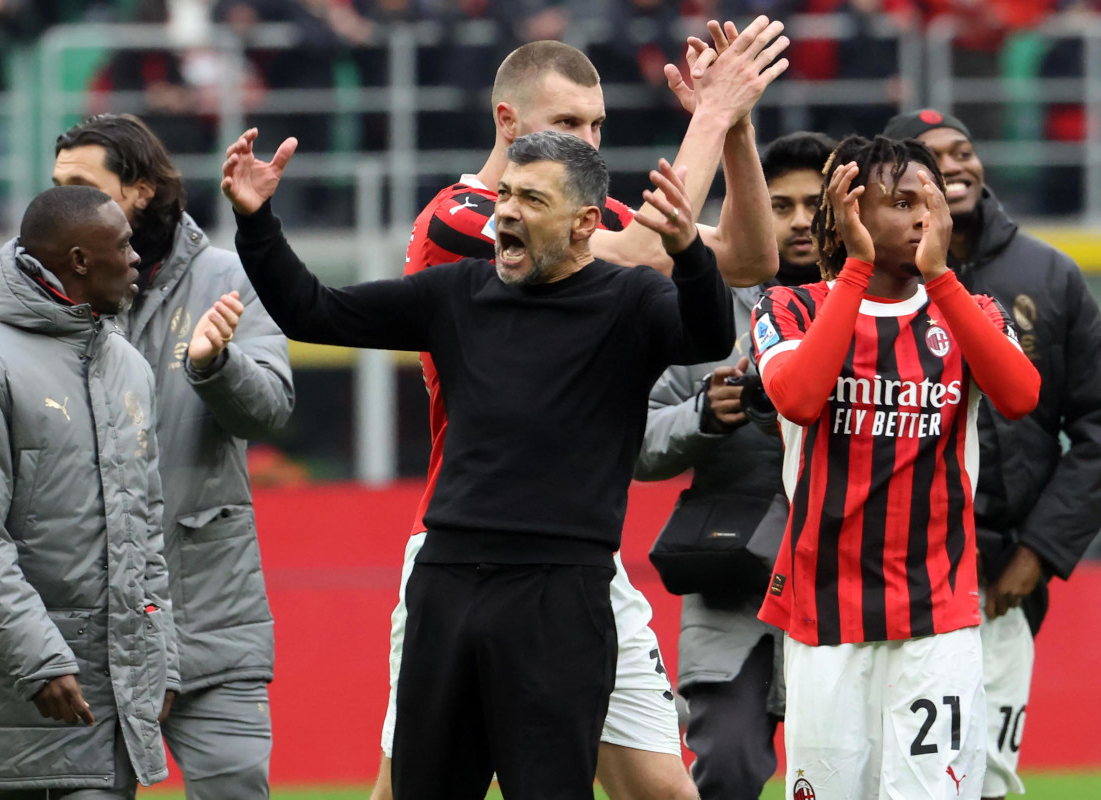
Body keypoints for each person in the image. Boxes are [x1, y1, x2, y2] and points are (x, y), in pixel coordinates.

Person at [223, 126, 732, 799]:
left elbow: (710, 333)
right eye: (505, 195)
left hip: (560, 593)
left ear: (585, 224)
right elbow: (312, 310)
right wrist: (257, 220)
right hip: (447, 582)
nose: (507, 212)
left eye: (531, 199)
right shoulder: (457, 292)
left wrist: (690, 253)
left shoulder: (629, 302)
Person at [368, 21, 789, 800]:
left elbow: (750, 259)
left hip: (578, 559)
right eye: (567, 124)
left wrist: (736, 128)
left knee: (664, 791)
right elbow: (634, 261)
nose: (590, 139)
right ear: (507, 122)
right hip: (466, 552)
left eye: (598, 123)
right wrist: (707, 112)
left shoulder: (588, 216)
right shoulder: (463, 217)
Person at [750, 135, 1041, 800]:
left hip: (936, 613)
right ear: (850, 210)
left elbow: (1021, 397)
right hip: (826, 613)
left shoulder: (968, 312)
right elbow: (796, 399)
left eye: (930, 202)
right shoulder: (791, 308)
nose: (923, 217)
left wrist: (942, 278)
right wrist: (854, 270)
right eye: (902, 201)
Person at [52, 114, 295, 800]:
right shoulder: (44, 297)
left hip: (209, 616)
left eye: (79, 185)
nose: (55, 204)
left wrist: (216, 366)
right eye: (54, 187)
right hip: (88, 631)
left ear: (139, 191)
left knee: (237, 787)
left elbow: (271, 406)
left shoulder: (228, 272)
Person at [0, 185, 177, 797]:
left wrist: (161, 652)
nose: (137, 257)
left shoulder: (128, 366)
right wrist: (42, 661)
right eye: (122, 244)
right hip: (24, 701)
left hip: (112, 698)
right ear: (79, 261)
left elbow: (144, 528)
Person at [883, 108, 1101, 800]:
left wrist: (1039, 554)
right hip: (895, 578)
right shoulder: (872, 283)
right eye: (933, 156)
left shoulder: (1052, 276)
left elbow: (1097, 425)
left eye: (965, 150)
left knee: (986, 779)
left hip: (1006, 580)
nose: (956, 166)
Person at [635, 130, 836, 800]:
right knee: (722, 767)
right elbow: (631, 439)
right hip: (732, 579)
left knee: (852, 770)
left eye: (816, 202)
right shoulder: (701, 308)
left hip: (852, 576)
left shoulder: (888, 303)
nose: (802, 219)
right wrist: (704, 413)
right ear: (747, 211)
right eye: (780, 205)